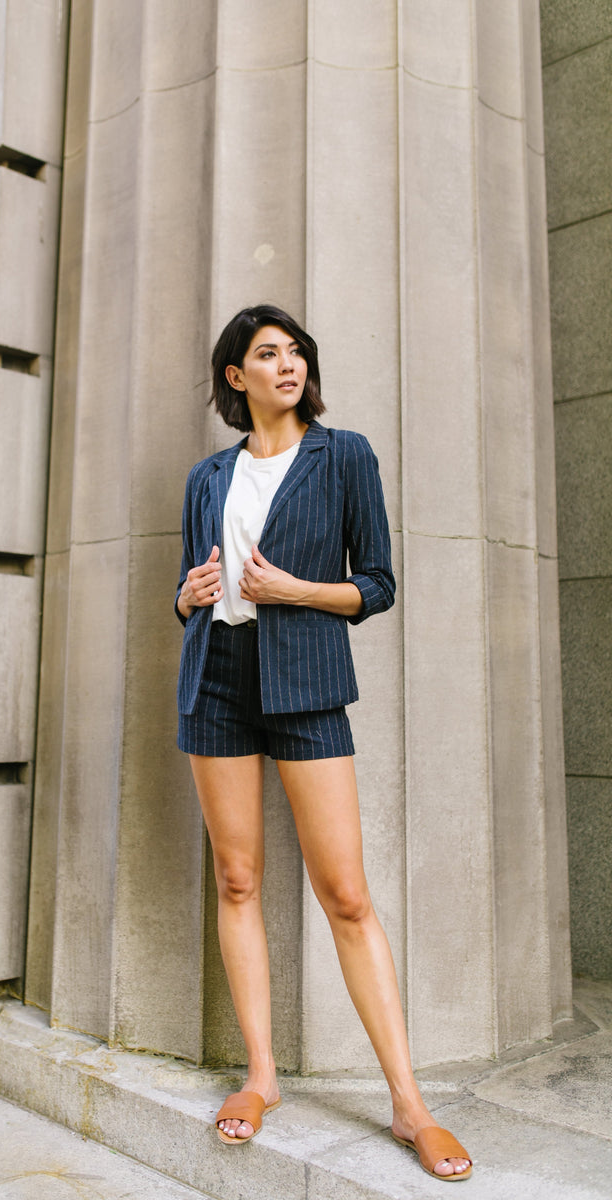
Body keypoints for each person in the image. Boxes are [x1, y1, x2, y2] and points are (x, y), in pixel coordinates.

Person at [174, 305, 472, 1182]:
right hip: (216, 681)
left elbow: (375, 585)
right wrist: (188, 596)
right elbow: (191, 584)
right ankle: (261, 1076)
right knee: (236, 877)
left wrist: (298, 589)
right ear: (237, 377)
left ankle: (410, 1104)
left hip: (306, 685)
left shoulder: (344, 456)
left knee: (344, 893)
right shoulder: (207, 477)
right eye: (269, 353)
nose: (289, 363)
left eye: (297, 351)